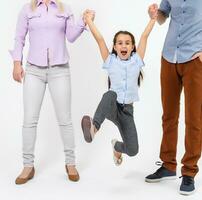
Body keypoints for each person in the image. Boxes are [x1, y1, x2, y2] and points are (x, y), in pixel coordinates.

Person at [10, 0, 93, 184]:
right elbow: (19, 37)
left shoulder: (64, 9)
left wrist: (83, 21)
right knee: (29, 120)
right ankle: (27, 166)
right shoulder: (28, 9)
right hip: (33, 70)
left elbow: (71, 36)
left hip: (60, 70)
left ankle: (70, 163)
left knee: (65, 119)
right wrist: (17, 62)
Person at [81, 10, 156, 166]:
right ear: (114, 47)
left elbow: (144, 36)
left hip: (127, 111)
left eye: (127, 43)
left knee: (133, 150)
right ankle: (94, 128)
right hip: (112, 107)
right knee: (110, 94)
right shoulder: (110, 61)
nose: (124, 45)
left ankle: (116, 147)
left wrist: (153, 19)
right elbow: (100, 40)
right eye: (120, 43)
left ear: (132, 46)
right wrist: (89, 21)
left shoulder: (137, 60)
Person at [145, 1, 202, 195]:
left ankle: (189, 172)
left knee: (194, 118)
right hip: (169, 56)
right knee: (168, 115)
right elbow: (163, 17)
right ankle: (168, 165)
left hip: (195, 59)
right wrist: (154, 13)